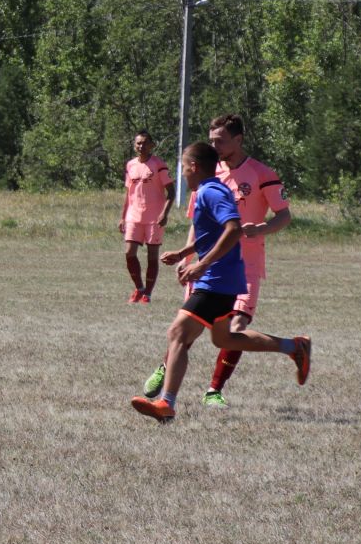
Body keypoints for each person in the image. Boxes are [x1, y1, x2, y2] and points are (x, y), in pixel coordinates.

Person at [129, 140, 308, 423]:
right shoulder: (208, 191)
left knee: (177, 333)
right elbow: (212, 234)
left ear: (194, 166)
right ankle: (294, 347)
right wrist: (185, 253)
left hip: (217, 280)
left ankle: (167, 403)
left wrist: (201, 264)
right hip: (221, 279)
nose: (182, 174)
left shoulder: (211, 191)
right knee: (225, 338)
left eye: (183, 167)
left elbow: (234, 229)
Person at [121, 131, 174, 303]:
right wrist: (123, 217)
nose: (141, 146)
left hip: (154, 217)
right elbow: (128, 193)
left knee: (152, 256)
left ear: (152, 145)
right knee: (129, 253)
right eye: (138, 143)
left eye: (144, 143)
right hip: (133, 216)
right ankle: (139, 288)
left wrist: (164, 214)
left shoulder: (158, 164)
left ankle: (147, 294)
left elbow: (171, 192)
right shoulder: (130, 165)